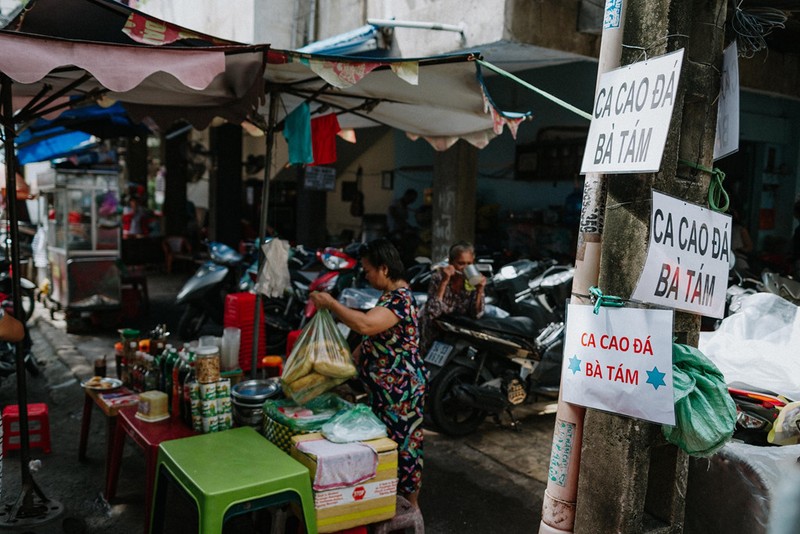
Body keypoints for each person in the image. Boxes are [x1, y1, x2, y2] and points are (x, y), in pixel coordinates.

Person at [309, 238, 426, 508]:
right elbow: (377, 336)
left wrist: (332, 304)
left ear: (384, 269)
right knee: (387, 444)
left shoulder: (400, 300)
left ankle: (411, 507)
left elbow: (366, 324)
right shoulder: (388, 297)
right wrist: (355, 356)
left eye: (368, 270)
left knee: (405, 447)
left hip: (401, 392)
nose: (366, 275)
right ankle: (386, 500)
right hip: (385, 390)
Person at [419, 241, 486, 354]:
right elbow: (433, 311)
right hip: (433, 332)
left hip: (455, 335)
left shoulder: (472, 282)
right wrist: (444, 282)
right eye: (461, 263)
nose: (465, 268)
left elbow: (477, 314)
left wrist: (480, 290)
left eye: (469, 264)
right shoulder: (438, 277)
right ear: (451, 262)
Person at [730, 208, 754, 274]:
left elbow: (749, 247)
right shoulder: (723, 228)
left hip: (738, 259)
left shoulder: (741, 230)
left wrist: (738, 250)